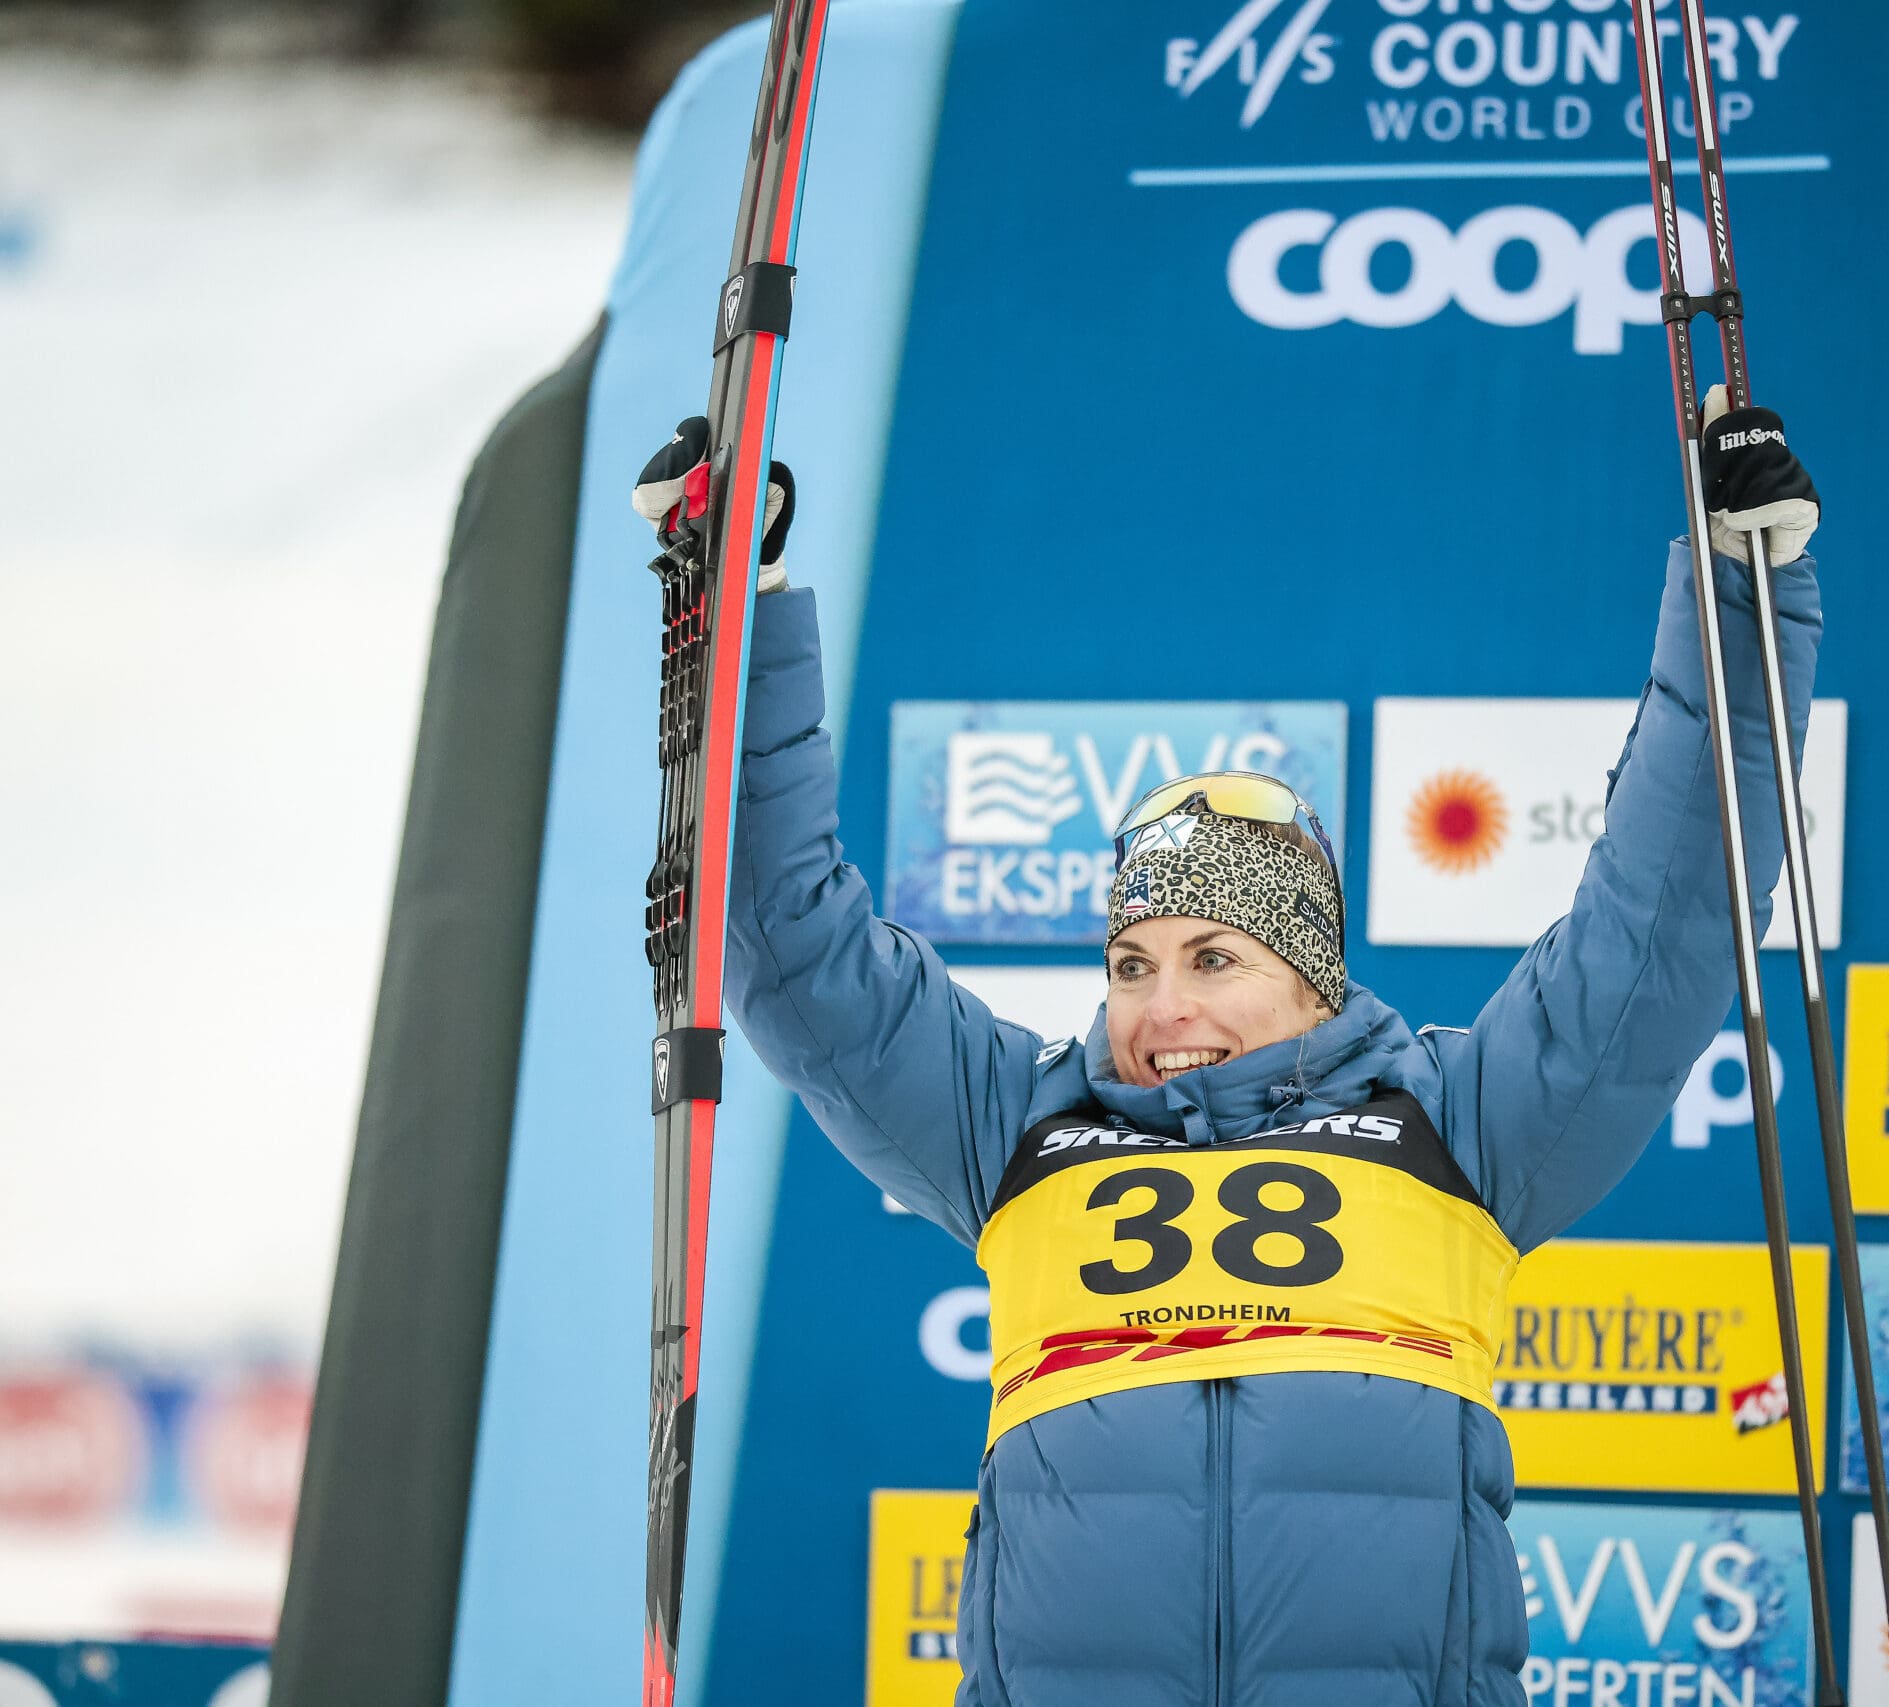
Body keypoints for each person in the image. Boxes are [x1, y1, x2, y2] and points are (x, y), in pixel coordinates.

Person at [632, 392, 1823, 1705]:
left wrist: (1736, 597)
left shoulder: (1463, 1128)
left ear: (1311, 976)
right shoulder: (1018, 1133)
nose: (1161, 1007)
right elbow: (787, 946)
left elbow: (1664, 920)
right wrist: (732, 606)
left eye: (1214, 960)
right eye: (1133, 965)